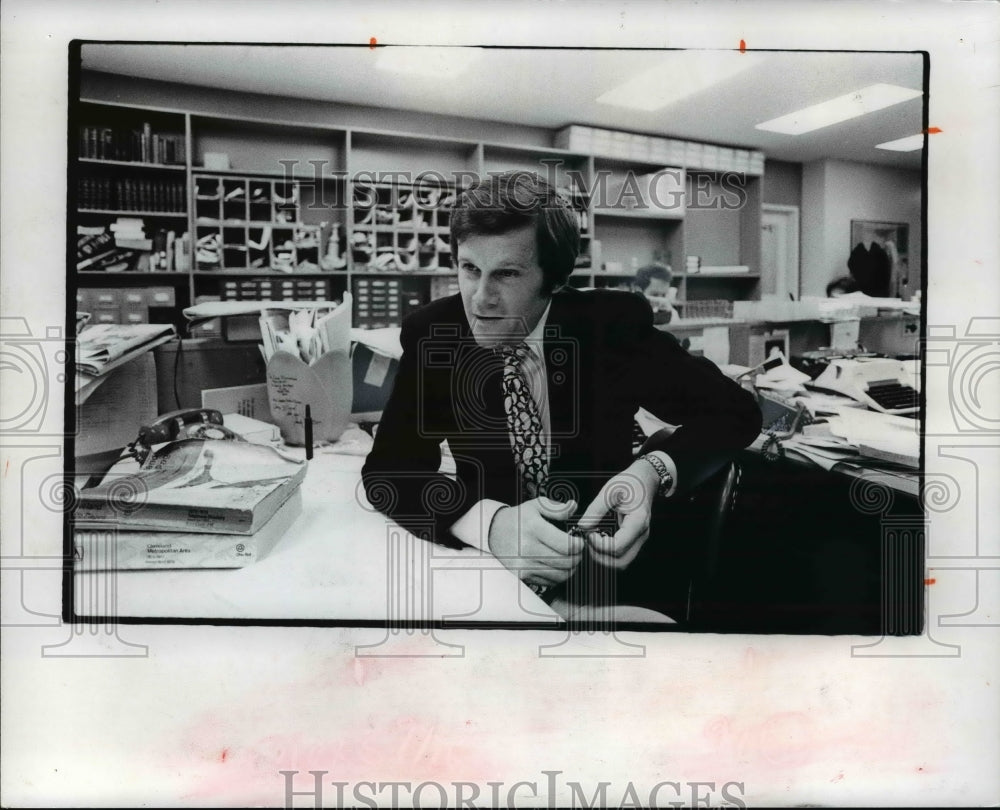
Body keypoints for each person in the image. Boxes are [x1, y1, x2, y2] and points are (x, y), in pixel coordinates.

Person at [361, 171, 762, 620]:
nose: (480, 299)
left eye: (507, 274)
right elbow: (389, 470)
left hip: (606, 569)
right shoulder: (435, 334)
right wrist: (489, 524)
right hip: (493, 576)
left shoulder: (610, 327)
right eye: (470, 269)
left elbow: (737, 412)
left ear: (553, 278)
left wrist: (650, 473)